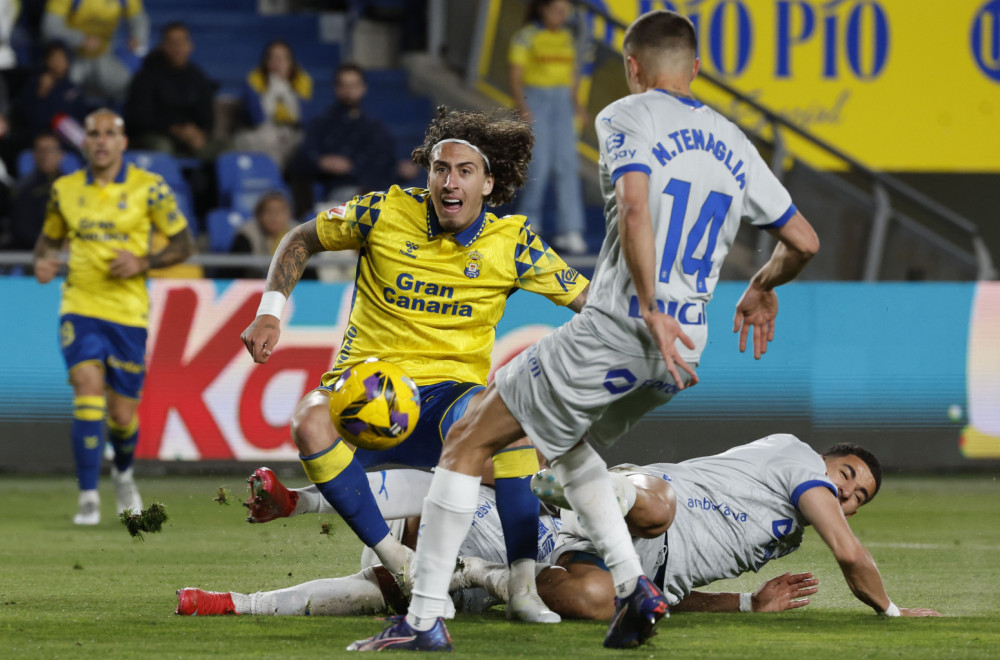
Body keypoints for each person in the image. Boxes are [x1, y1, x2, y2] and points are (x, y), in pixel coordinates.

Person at [351, 10, 821, 652]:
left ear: (631, 67)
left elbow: (634, 206)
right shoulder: (736, 143)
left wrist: (647, 303)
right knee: (568, 451)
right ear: (697, 68)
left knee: (466, 439)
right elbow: (803, 240)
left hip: (622, 327)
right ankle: (635, 589)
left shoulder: (625, 115)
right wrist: (763, 285)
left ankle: (424, 618)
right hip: (683, 348)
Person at [240, 107, 589, 623]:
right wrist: (270, 313)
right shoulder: (382, 212)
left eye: (464, 171)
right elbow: (301, 238)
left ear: (488, 183)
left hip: (450, 400)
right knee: (307, 420)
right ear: (427, 173)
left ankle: (522, 585)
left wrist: (649, 333)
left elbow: (592, 303)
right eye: (439, 169)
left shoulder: (513, 243)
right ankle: (395, 557)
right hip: (366, 387)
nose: (449, 182)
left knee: (511, 420)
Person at [178, 436, 939, 621]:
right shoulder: (795, 460)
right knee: (655, 501)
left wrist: (744, 604)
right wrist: (896, 617)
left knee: (392, 584)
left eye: (861, 495)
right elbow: (851, 554)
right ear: (827, 458)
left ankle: (235, 605)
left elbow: (670, 591)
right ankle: (308, 500)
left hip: (576, 552)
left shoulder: (779, 538)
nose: (850, 495)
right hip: (621, 504)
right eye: (850, 479)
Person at [32, 108, 195, 525]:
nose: (101, 140)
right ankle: (88, 497)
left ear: (123, 143)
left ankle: (122, 474)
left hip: (128, 313)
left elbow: (183, 244)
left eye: (110, 133)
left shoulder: (150, 188)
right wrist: (44, 262)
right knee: (87, 385)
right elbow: (47, 243)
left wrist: (143, 261)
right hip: (80, 306)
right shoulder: (64, 190)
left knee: (122, 416)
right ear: (83, 141)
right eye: (93, 133)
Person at [509, 0, 588, 255]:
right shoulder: (527, 36)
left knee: (567, 165)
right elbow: (516, 74)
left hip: (562, 102)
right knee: (539, 162)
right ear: (542, 9)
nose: (560, 15)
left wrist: (578, 106)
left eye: (564, 11)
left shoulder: (567, 37)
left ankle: (571, 229)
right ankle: (529, 221)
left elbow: (572, 75)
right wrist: (522, 107)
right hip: (537, 99)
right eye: (556, 10)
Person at [289, 63, 397, 212]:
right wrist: (321, 162)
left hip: (375, 191)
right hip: (339, 194)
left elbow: (387, 164)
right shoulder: (322, 124)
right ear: (336, 88)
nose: (349, 91)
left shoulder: (375, 127)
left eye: (354, 85)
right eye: (344, 85)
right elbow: (301, 160)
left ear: (363, 88)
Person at [124, 22, 221, 159]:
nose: (178, 47)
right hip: (155, 135)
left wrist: (199, 133)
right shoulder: (146, 76)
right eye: (172, 42)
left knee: (228, 148)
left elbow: (207, 117)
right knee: (162, 147)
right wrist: (175, 129)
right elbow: (140, 119)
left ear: (190, 46)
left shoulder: (198, 76)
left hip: (190, 138)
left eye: (182, 41)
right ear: (163, 45)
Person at [42, 0, 149, 103]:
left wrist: (138, 37)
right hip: (71, 57)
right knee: (63, 94)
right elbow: (50, 27)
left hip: (103, 55)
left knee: (133, 88)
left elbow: (139, 19)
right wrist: (81, 39)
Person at [233, 40, 314, 171]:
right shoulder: (254, 79)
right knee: (267, 141)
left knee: (305, 144)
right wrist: (271, 92)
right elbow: (257, 119)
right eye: (273, 57)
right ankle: (271, 185)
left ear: (291, 62)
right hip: (262, 131)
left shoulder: (302, 79)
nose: (277, 63)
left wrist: (286, 91)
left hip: (291, 131)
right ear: (266, 61)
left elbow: (303, 119)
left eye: (282, 58)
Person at [13, 41, 88, 147]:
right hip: (40, 139)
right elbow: (30, 118)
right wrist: (41, 93)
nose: (58, 61)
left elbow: (81, 116)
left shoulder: (72, 87)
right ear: (46, 60)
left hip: (70, 142)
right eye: (54, 57)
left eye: (62, 57)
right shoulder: (35, 83)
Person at [7, 133, 66, 251]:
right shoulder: (22, 189)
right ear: (34, 155)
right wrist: (52, 245)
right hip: (31, 255)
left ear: (61, 154)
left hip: (72, 254)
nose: (46, 155)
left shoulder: (75, 187)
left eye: (51, 150)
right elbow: (21, 230)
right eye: (41, 150)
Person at [228, 190, 296, 279]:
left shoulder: (298, 234)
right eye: (269, 211)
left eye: (279, 211)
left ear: (288, 215)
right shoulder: (246, 235)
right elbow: (233, 273)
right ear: (259, 215)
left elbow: (309, 276)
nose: (274, 216)